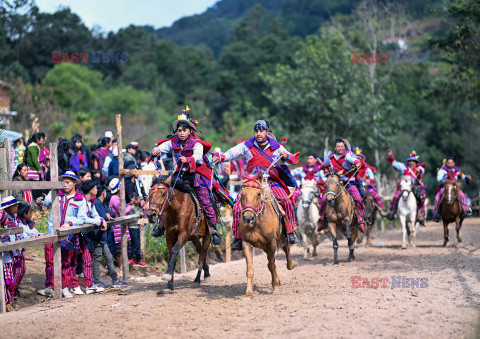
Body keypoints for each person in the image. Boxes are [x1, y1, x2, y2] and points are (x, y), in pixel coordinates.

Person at [150, 106, 232, 245]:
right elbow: (162, 147)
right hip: (180, 174)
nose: (181, 133)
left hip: (197, 175)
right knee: (165, 194)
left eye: (184, 130)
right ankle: (160, 226)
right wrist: (156, 150)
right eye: (179, 130)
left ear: (190, 131)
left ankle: (213, 229)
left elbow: (198, 158)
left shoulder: (197, 143)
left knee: (205, 199)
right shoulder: (173, 142)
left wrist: (188, 159)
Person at [213, 119, 300, 250]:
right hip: (252, 183)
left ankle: (290, 231)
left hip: (270, 182)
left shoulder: (277, 146)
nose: (258, 133)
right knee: (237, 206)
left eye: (261, 131)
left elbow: (291, 160)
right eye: (256, 131)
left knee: (286, 202)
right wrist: (221, 157)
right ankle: (238, 237)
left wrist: (285, 156)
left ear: (267, 132)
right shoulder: (247, 145)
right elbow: (232, 153)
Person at [37, 171, 88, 299]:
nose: (64, 185)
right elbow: (45, 202)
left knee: (66, 262)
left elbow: (82, 218)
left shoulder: (80, 199)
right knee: (50, 261)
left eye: (68, 182)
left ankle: (64, 286)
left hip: (67, 235)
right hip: (51, 232)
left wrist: (70, 223)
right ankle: (50, 286)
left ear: (74, 183)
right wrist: (40, 201)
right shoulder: (55, 193)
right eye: (63, 182)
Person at [320, 139, 366, 232]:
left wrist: (357, 163)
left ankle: (360, 218)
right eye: (338, 147)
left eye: (341, 146)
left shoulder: (348, 155)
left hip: (348, 182)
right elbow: (323, 166)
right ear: (335, 148)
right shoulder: (330, 157)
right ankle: (322, 220)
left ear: (344, 147)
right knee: (324, 198)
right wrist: (326, 171)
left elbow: (356, 160)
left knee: (358, 198)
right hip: (334, 183)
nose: (340, 148)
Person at [90, 184, 123, 287]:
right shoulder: (96, 203)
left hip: (102, 237)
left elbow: (111, 214)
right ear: (103, 192)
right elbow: (103, 216)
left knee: (108, 258)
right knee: (97, 259)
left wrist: (108, 215)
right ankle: (96, 282)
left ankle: (115, 280)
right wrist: (107, 216)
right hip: (97, 236)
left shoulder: (102, 203)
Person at [78, 180, 108, 294]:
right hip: (76, 235)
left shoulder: (90, 202)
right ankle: (76, 285)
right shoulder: (82, 201)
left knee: (87, 259)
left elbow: (95, 215)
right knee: (75, 261)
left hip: (83, 235)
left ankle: (88, 284)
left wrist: (100, 220)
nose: (97, 190)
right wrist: (98, 221)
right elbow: (83, 218)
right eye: (95, 188)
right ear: (91, 191)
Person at [386, 150, 426, 223]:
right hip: (404, 186)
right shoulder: (403, 167)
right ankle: (392, 212)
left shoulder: (420, 168)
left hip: (415, 187)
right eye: (410, 161)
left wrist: (418, 170)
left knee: (422, 197)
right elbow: (395, 163)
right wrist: (391, 156)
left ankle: (421, 213)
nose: (411, 162)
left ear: (416, 162)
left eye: (413, 161)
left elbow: (422, 172)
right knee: (395, 197)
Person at [432, 157, 472, 221]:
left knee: (462, 195)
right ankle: (437, 214)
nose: (450, 164)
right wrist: (445, 181)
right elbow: (439, 179)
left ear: (453, 163)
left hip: (454, 187)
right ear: (446, 163)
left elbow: (462, 176)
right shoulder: (442, 170)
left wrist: (467, 177)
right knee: (437, 198)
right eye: (448, 163)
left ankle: (465, 210)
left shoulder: (457, 170)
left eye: (451, 163)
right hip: (445, 187)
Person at [1, 197, 21, 311]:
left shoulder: (14, 219)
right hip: (5, 257)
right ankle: (5, 303)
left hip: (11, 255)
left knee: (10, 280)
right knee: (6, 280)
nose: (16, 208)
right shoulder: (5, 221)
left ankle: (10, 301)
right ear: (7, 208)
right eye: (13, 206)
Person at [108, 178, 131, 269]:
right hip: (117, 226)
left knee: (125, 246)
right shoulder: (115, 199)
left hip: (122, 226)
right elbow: (123, 212)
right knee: (120, 248)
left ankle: (124, 265)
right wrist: (130, 206)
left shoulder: (118, 198)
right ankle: (121, 266)